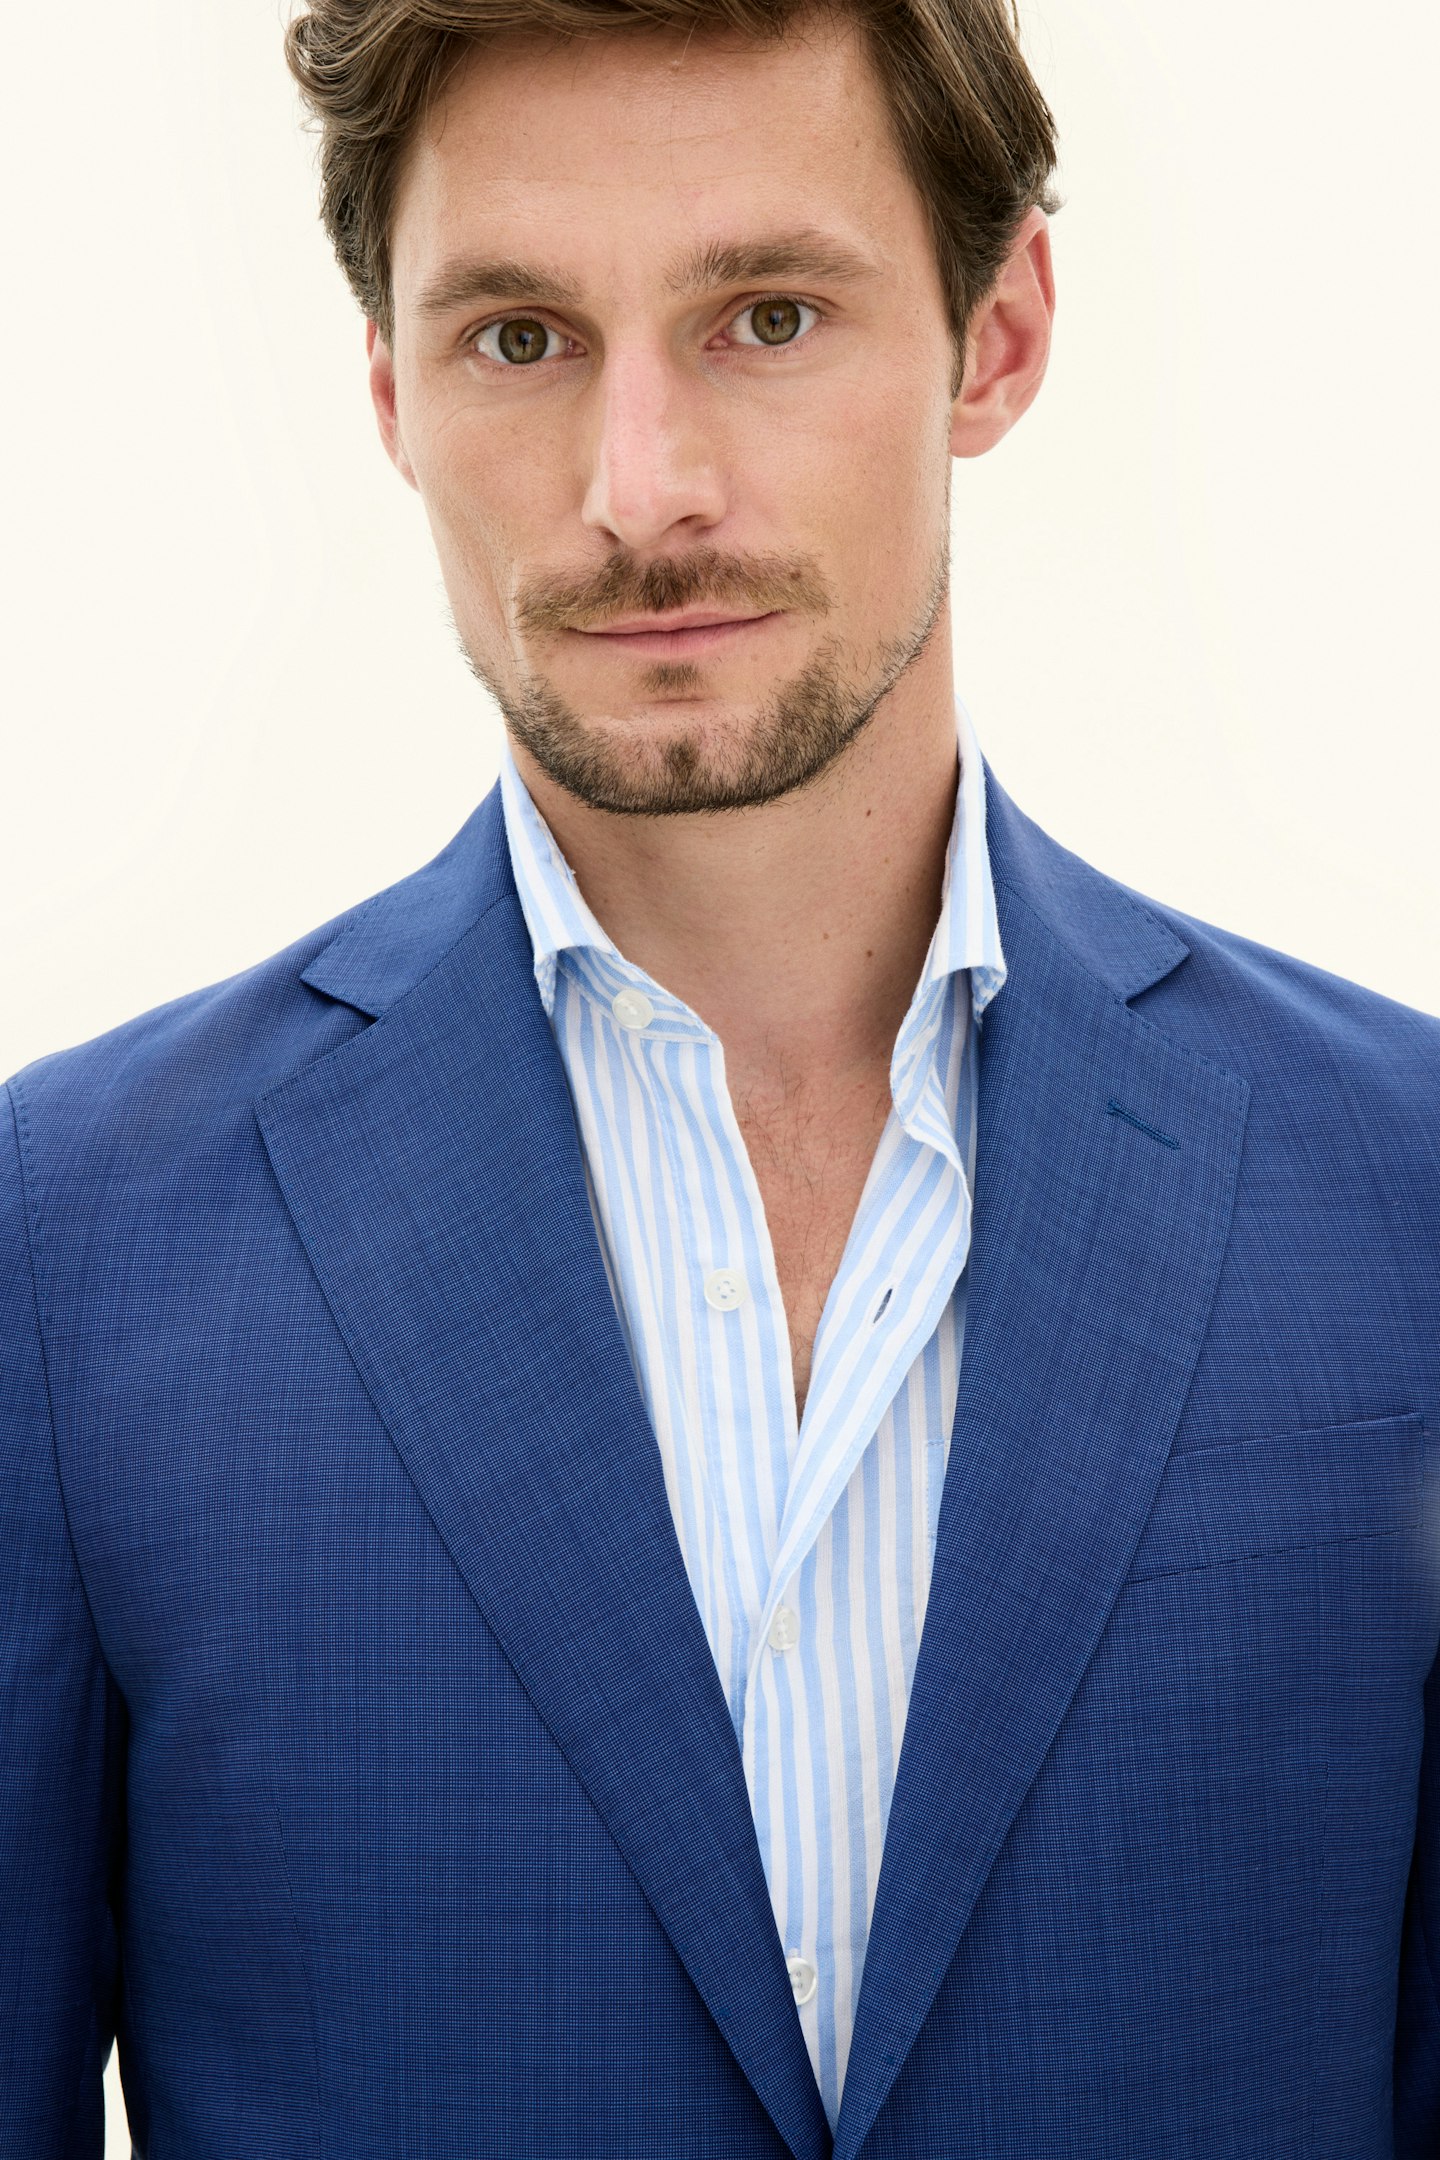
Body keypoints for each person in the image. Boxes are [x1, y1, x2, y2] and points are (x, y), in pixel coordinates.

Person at [3, 0, 1437, 2151]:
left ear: (997, 336)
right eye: (519, 337)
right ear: (389, 389)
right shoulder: (64, 1246)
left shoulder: (1404, 1191)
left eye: (767, 316)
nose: (640, 489)